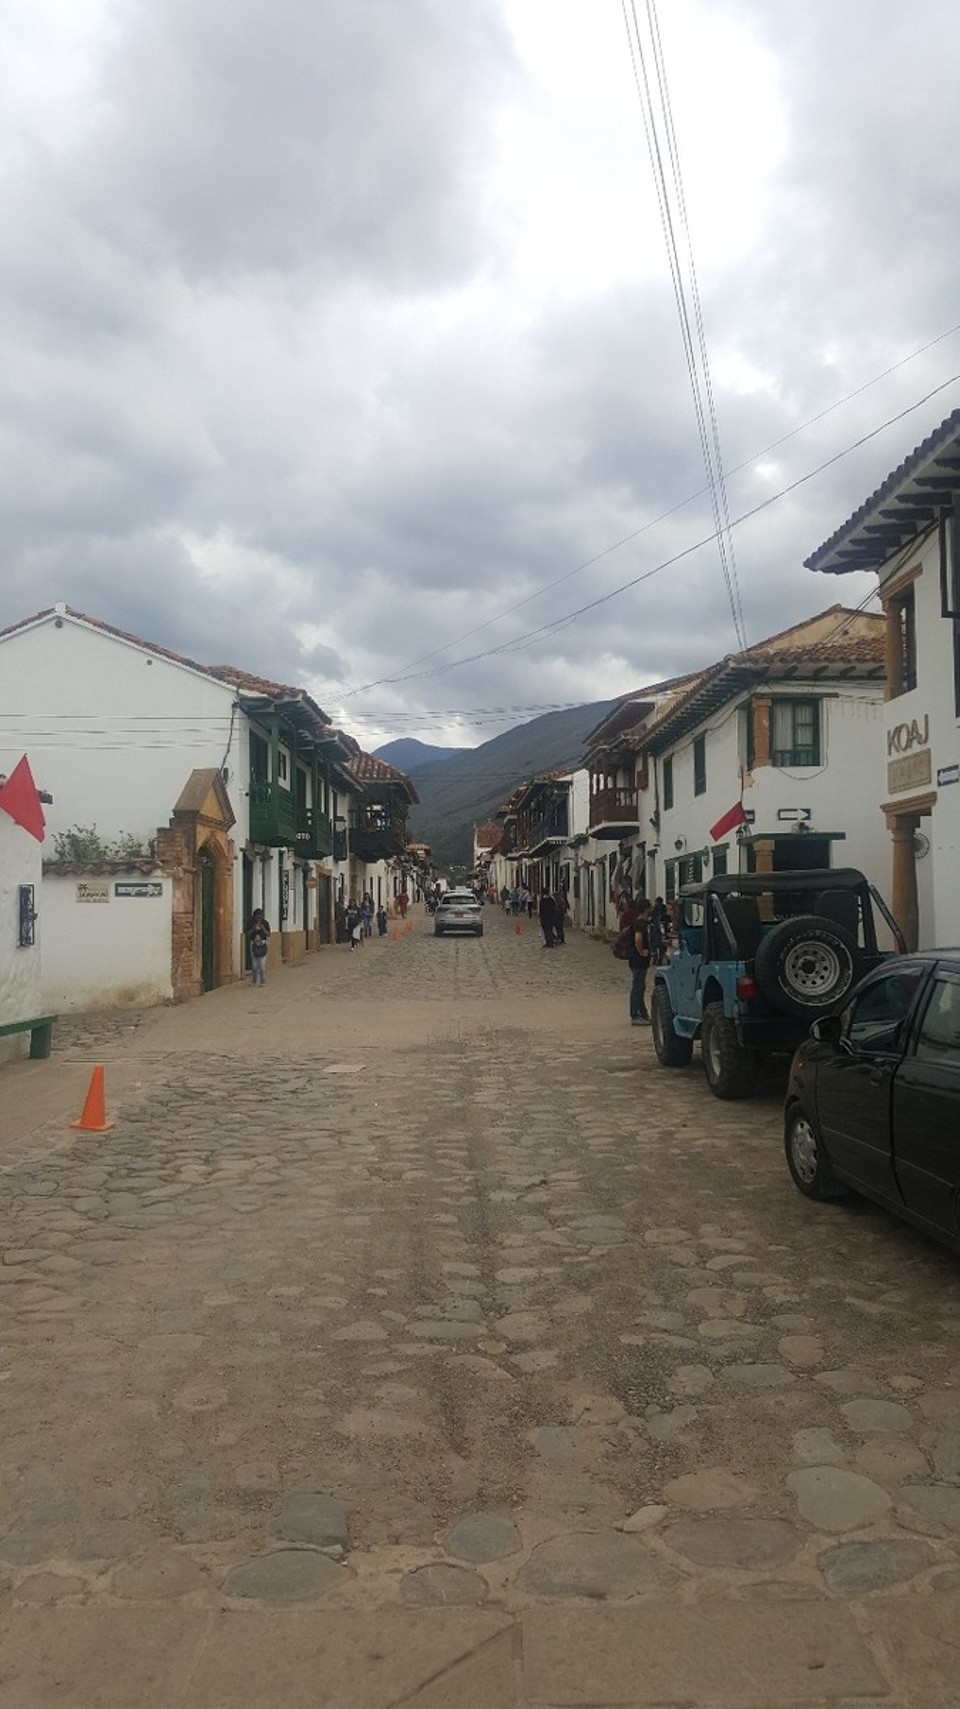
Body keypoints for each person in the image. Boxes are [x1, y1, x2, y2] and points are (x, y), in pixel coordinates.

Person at [628, 897, 654, 1025]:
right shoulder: (640, 924)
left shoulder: (642, 923)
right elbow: (638, 939)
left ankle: (643, 1013)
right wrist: (642, 952)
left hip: (638, 960)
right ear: (646, 909)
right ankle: (635, 1015)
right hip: (638, 960)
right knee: (637, 987)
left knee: (640, 987)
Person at [247, 908, 271, 986]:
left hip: (263, 944)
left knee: (261, 964)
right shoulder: (251, 923)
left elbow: (268, 934)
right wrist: (254, 929)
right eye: (257, 917)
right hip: (254, 944)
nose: (258, 919)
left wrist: (263, 928)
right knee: (254, 965)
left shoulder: (265, 923)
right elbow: (248, 934)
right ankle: (254, 980)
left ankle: (262, 981)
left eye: (260, 917)